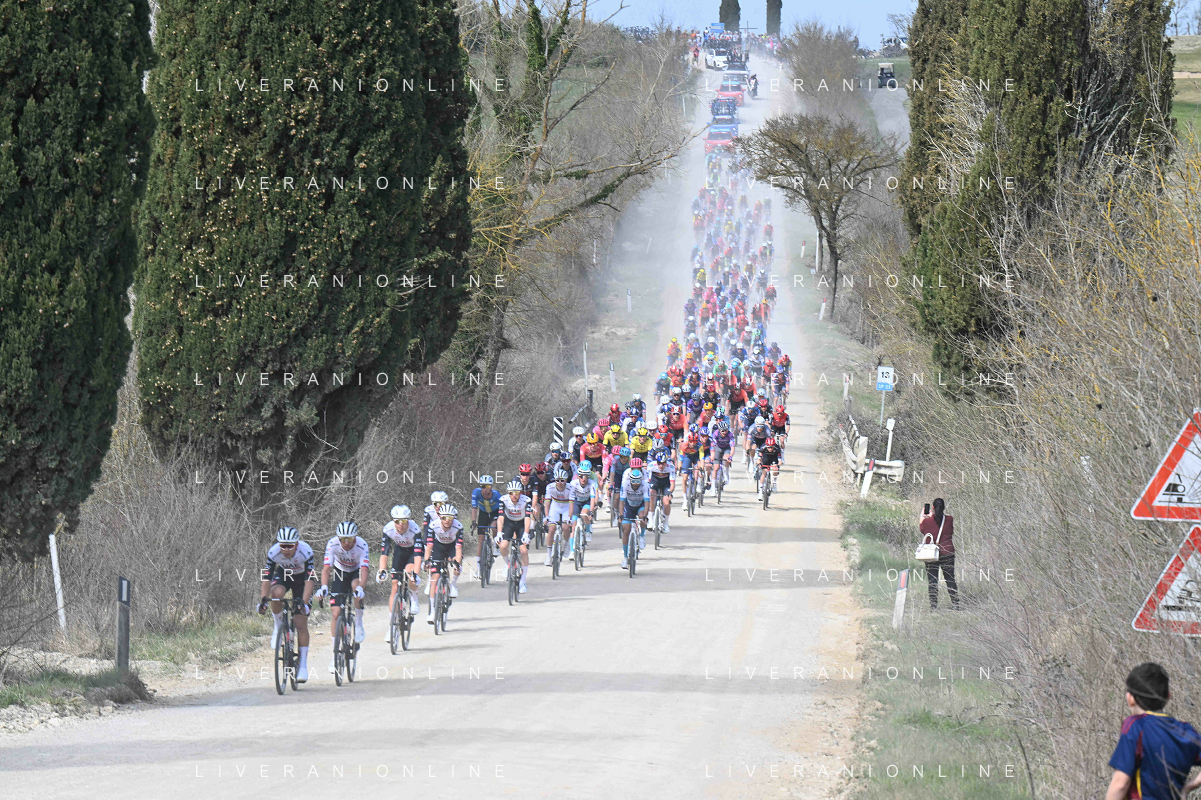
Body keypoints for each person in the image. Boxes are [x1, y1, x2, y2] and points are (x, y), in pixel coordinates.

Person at [1106, 663, 1201, 800]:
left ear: (1130, 698)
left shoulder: (1136, 727)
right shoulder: (1186, 731)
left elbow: (1120, 784)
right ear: (1168, 696)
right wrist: (1189, 787)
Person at [259, 526, 315, 682]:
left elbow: (309, 580)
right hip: (284, 575)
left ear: (296, 544)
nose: (286, 550)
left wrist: (304, 603)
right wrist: (263, 599)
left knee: (300, 622)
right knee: (276, 594)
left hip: (302, 580)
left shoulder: (306, 552)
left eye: (290, 546)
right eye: (283, 546)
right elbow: (267, 577)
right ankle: (278, 627)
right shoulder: (273, 552)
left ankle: (302, 666)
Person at [314, 521, 370, 674]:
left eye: (349, 539)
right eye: (343, 539)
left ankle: (358, 624)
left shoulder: (362, 545)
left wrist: (361, 588)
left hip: (356, 571)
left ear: (355, 537)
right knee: (336, 613)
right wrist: (324, 586)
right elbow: (327, 568)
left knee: (355, 588)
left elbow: (364, 570)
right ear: (338, 538)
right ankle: (335, 655)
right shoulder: (332, 543)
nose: (346, 543)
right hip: (340, 572)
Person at [376, 505, 423, 643]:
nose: (400, 524)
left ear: (408, 520)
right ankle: (392, 626)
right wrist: (382, 570)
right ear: (393, 521)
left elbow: (418, 556)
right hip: (400, 552)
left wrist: (416, 575)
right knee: (394, 586)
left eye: (403, 521)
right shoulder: (388, 529)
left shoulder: (415, 529)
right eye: (397, 521)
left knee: (409, 572)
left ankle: (414, 597)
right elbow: (384, 553)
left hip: (413, 552)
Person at [423, 504, 464, 621]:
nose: (447, 520)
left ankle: (453, 585)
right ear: (439, 517)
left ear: (454, 518)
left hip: (452, 547)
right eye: (444, 517)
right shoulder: (433, 525)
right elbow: (429, 546)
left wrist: (457, 563)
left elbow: (458, 548)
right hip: (438, 547)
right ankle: (432, 612)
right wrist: (427, 560)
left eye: (450, 518)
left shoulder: (458, 527)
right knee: (434, 578)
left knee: (458, 564)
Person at [919, 498, 959, 610]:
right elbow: (951, 532)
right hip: (947, 552)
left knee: (933, 580)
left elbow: (923, 530)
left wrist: (922, 518)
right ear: (944, 507)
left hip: (931, 554)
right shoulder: (949, 519)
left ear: (932, 508)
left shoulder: (926, 522)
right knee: (950, 579)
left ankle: (933, 606)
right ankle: (955, 604)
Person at [496, 480, 533, 594]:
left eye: (516, 492)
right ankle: (507, 564)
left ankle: (523, 581)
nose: (514, 495)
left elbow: (527, 518)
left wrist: (526, 533)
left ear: (520, 492)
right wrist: (499, 532)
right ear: (508, 493)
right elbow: (500, 517)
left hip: (522, 524)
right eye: (511, 493)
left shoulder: (526, 500)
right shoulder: (503, 499)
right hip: (509, 523)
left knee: (523, 551)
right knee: (503, 546)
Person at [470, 475, 502, 581]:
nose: (485, 489)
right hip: (483, 514)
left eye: (487, 486)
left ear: (491, 487)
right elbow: (474, 508)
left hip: (494, 513)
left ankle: (496, 547)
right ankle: (478, 568)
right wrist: (473, 522)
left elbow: (502, 509)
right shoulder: (476, 493)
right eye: (483, 486)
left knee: (494, 527)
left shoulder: (496, 495)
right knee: (480, 540)